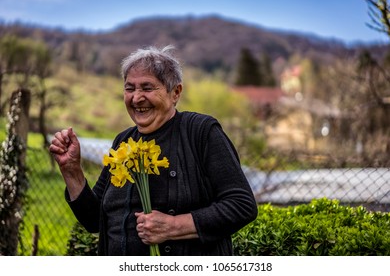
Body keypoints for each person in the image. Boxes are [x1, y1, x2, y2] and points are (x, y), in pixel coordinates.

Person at [49, 45, 258, 256]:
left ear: (175, 92)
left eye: (147, 88)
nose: (137, 98)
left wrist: (174, 226)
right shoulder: (123, 142)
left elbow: (241, 205)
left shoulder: (201, 132)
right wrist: (71, 170)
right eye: (130, 88)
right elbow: (95, 221)